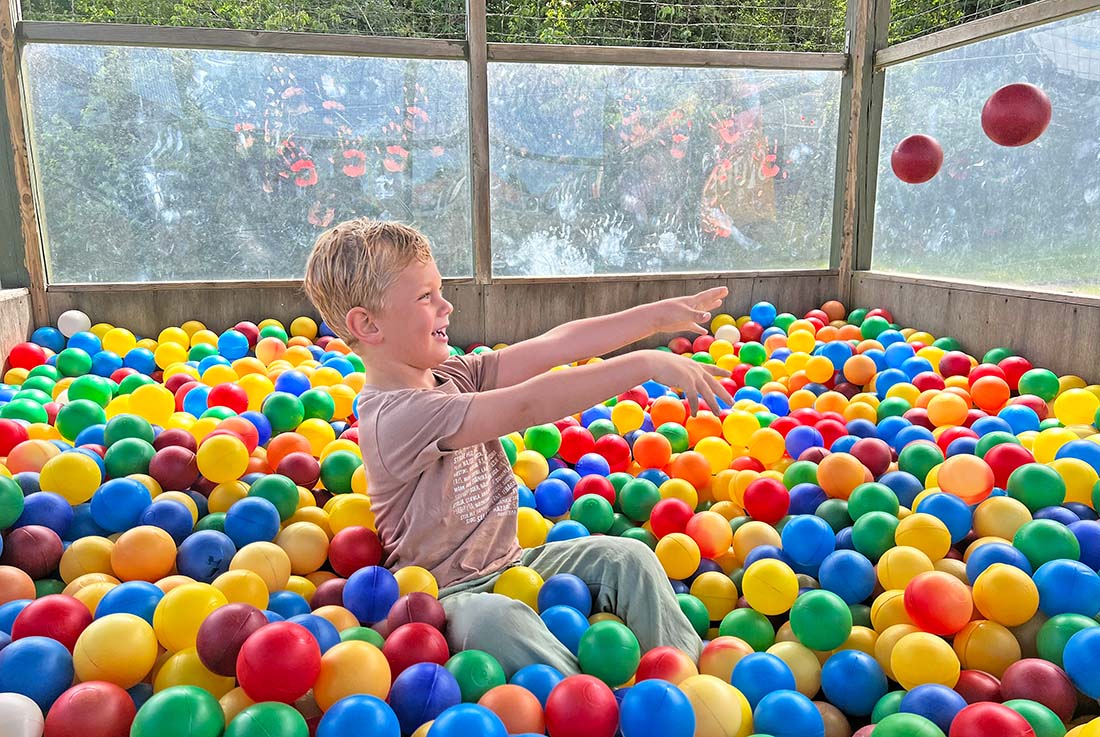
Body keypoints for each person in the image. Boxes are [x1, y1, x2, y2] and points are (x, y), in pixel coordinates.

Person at [303, 217, 732, 675]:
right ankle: (591, 706)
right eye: (426, 297)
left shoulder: (452, 377)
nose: (446, 306)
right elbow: (527, 405)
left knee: (628, 556)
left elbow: (554, 345)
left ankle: (685, 682)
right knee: (497, 621)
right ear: (367, 324)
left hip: (515, 566)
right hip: (448, 597)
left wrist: (654, 319)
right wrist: (643, 363)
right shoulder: (395, 417)